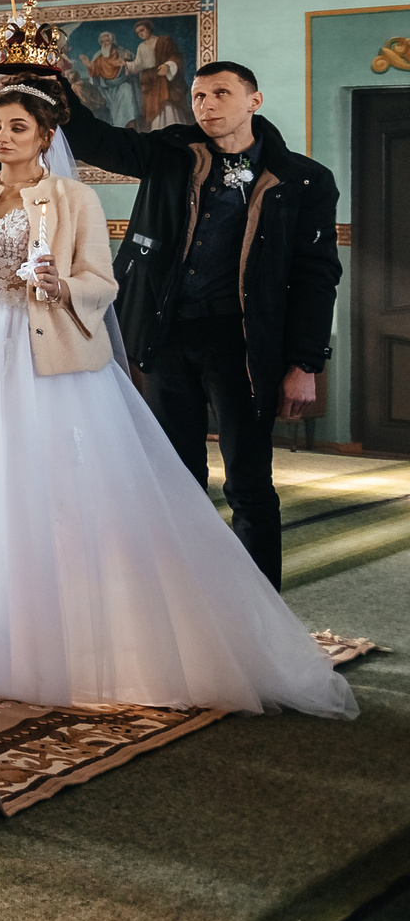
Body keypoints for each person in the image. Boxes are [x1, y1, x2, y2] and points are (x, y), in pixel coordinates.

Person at [0, 85, 353, 715]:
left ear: (46, 137)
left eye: (17, 127)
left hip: (46, 351)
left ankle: (73, 630)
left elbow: (102, 282)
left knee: (58, 484)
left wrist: (60, 286)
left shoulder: (73, 198)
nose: (1, 137)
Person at [60, 62, 341, 587]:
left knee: (248, 483)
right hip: (166, 338)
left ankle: (261, 605)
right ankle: (184, 598)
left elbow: (317, 276)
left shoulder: (305, 179)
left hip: (244, 345)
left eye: (220, 93)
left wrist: (305, 363)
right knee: (173, 477)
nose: (206, 105)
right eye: (198, 95)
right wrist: (58, 89)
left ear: (254, 101)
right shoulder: (171, 152)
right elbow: (98, 141)